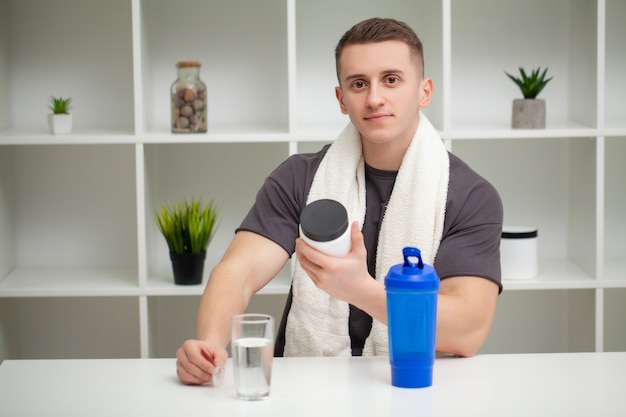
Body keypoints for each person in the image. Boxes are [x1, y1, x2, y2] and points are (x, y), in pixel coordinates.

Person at [176, 17, 502, 385]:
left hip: (415, 385)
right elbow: (236, 274)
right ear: (341, 99)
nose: (375, 97)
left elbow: (468, 330)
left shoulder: (470, 195)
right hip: (307, 389)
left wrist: (359, 290)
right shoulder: (298, 178)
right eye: (358, 84)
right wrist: (208, 344)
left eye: (391, 80)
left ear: (424, 91)